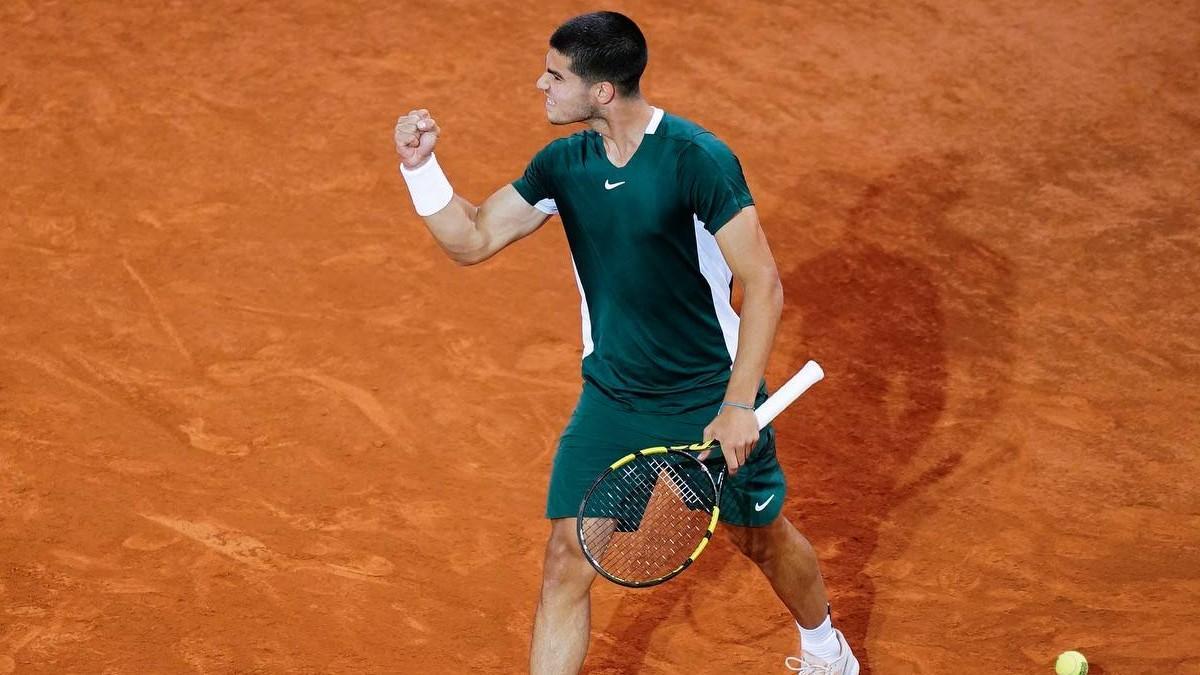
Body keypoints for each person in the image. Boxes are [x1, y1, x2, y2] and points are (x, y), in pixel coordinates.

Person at [393, 11, 859, 674]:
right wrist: (421, 169)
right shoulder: (565, 164)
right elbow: (472, 238)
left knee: (761, 539)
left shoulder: (696, 161)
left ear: (603, 91)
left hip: (708, 392)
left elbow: (765, 284)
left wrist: (735, 405)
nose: (540, 85)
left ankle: (826, 650)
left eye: (555, 76)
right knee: (565, 558)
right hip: (613, 395)